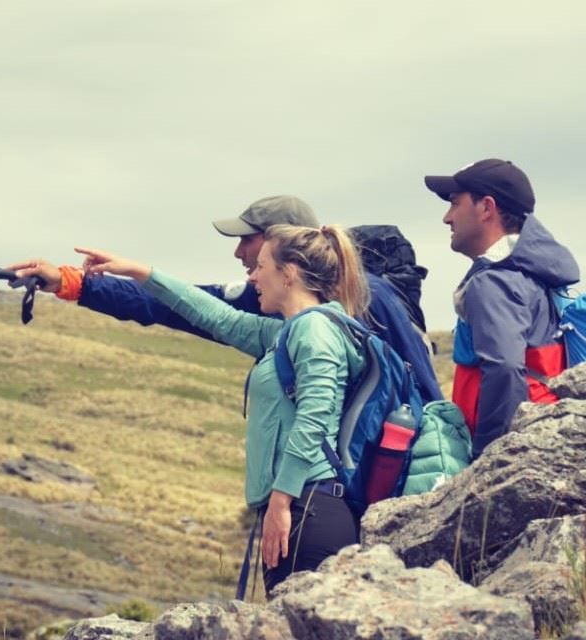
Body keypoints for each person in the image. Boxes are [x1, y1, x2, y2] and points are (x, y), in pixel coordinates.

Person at [67, 224, 366, 595]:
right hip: (302, 506)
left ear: (287, 274)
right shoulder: (288, 332)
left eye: (262, 266)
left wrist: (281, 500)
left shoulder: (315, 330)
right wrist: (141, 273)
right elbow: (217, 317)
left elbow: (314, 420)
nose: (253, 276)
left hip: (309, 509)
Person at [8, 196, 443, 403]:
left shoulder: (369, 297)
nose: (238, 254)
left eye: (247, 241)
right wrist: (71, 282)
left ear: (281, 244)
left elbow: (421, 393)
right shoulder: (276, 302)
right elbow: (181, 304)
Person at [424, 159, 580, 458]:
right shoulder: (533, 272)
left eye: (455, 204)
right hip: (543, 431)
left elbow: (505, 369)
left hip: (519, 445)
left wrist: (490, 458)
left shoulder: (492, 283)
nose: (447, 218)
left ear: (486, 208)